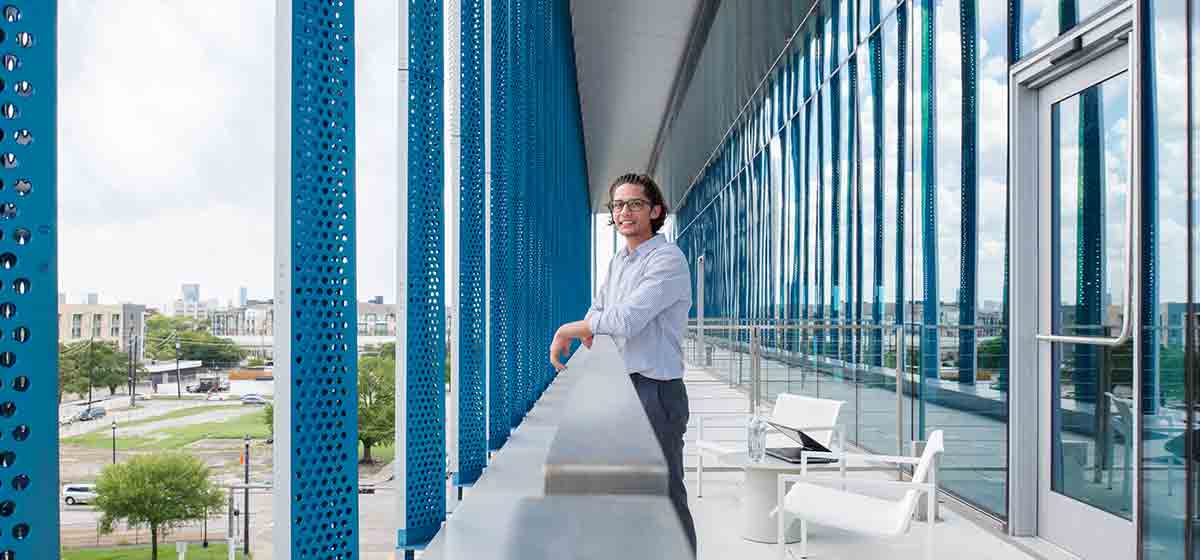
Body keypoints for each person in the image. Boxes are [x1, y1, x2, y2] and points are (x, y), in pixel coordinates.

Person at [549, 172, 696, 554]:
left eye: (635, 204)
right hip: (622, 388)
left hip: (655, 392)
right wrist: (587, 325)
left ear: (656, 211)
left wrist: (568, 328)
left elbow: (627, 320)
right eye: (617, 205)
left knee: (664, 494)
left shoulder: (667, 259)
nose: (624, 211)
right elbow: (599, 312)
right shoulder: (618, 262)